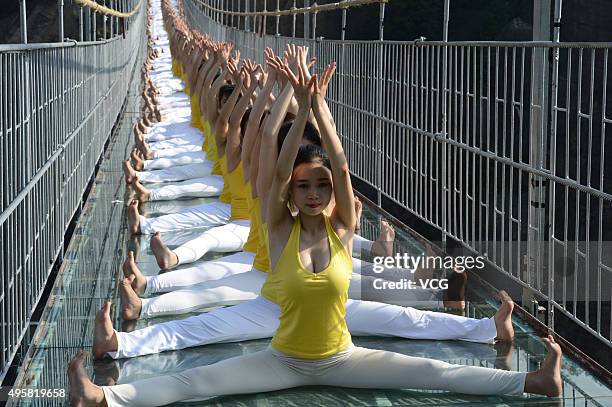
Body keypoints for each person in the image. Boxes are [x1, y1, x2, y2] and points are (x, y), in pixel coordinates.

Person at [68, 52, 562, 406]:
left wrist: (319, 105)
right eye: (303, 187)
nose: (312, 193)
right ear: (292, 193)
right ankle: (104, 395)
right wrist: (298, 102)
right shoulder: (279, 229)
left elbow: (343, 171)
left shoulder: (342, 232)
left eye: (320, 188)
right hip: (280, 355)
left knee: (434, 371)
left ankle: (534, 381)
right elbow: (273, 163)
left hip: (342, 357)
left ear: (331, 196)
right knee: (196, 379)